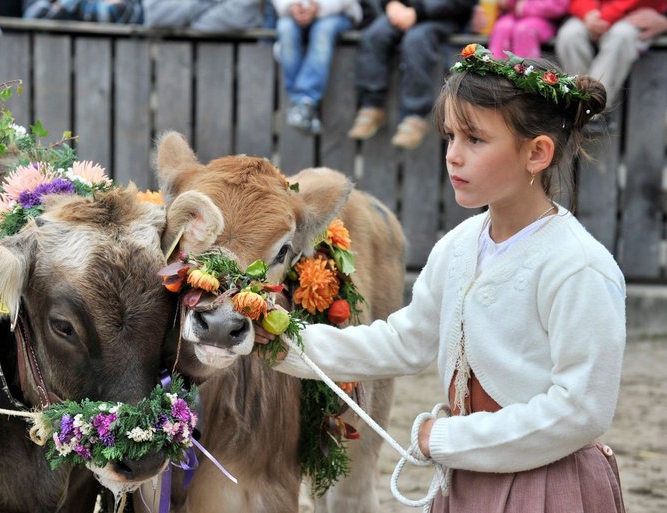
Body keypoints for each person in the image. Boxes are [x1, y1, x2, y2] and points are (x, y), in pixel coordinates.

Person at [256, 43, 627, 512]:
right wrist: (282, 340)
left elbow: (582, 410)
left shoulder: (578, 266)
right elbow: (405, 341)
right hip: (466, 481)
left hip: (547, 488)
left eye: (475, 139)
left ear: (537, 153)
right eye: (450, 136)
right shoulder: (459, 245)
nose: (453, 155)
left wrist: (450, 436)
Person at [345, 0, 477, 149]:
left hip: (442, 17)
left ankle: (415, 116)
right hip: (403, 10)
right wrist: (391, 4)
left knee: (416, 41)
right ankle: (371, 106)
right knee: (374, 36)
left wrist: (417, 12)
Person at [555, 0, 667, 123]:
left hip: (636, 12)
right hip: (592, 12)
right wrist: (588, 13)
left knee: (621, 37)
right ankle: (582, 105)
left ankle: (591, 110)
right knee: (570, 35)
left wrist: (605, 17)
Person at [274, 0, 364, 134]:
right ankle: (303, 106)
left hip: (337, 13)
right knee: (285, 27)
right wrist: (291, 6)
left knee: (323, 29)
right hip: (294, 15)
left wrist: (319, 7)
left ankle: (303, 102)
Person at [487, 0, 569, 58]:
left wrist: (526, 7)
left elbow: (559, 6)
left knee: (524, 30)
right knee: (502, 27)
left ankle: (527, 74)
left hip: (545, 19)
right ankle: (496, 73)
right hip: (514, 15)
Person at [143, 0, 264, 31]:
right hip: (173, 64)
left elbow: (242, 14)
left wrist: (184, 21)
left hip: (238, 60)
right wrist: (209, 3)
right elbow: (155, 14)